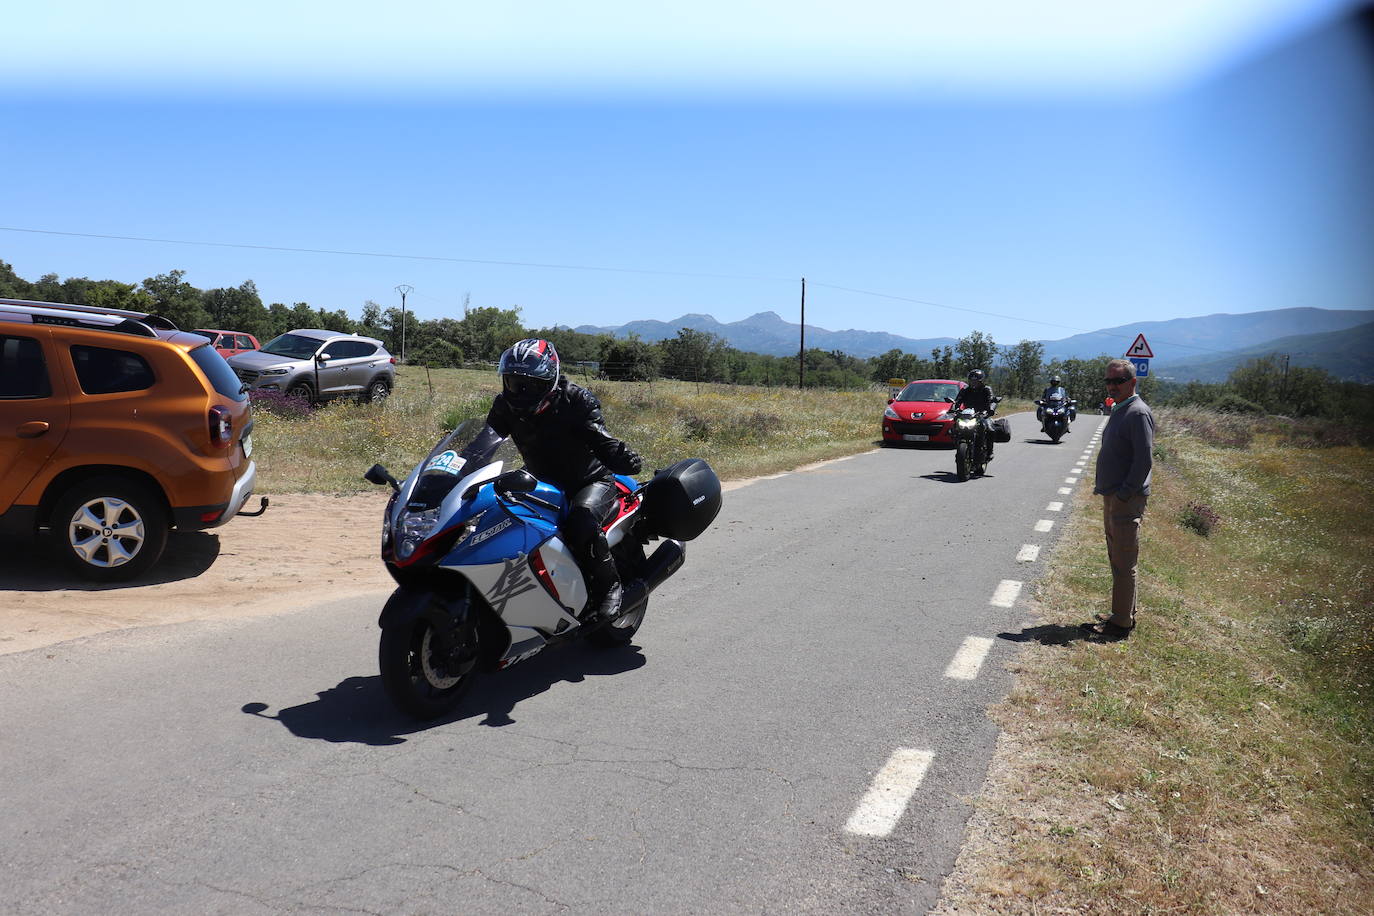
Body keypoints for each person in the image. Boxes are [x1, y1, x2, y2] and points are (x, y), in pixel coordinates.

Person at [483, 338, 643, 621]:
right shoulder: (505, 405)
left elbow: (600, 439)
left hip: (589, 481)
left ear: (549, 380)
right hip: (540, 481)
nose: (519, 391)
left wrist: (624, 457)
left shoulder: (576, 400)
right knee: (496, 516)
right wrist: (453, 469)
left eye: (529, 384)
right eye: (513, 382)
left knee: (581, 521)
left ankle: (610, 586)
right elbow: (483, 444)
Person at [1084, 358, 1154, 639]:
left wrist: (1124, 493)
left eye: (1118, 381)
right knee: (1117, 557)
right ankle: (1122, 612)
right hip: (1114, 496)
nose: (1112, 386)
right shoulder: (1122, 409)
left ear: (1132, 382)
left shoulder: (1137, 413)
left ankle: (1121, 622)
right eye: (1108, 381)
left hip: (1125, 498)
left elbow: (1144, 459)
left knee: (1124, 562)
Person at [950, 368, 998, 460]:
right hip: (967, 414)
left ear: (981, 381)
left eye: (976, 381)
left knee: (990, 429)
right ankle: (958, 444)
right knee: (955, 427)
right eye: (972, 380)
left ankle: (989, 451)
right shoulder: (965, 389)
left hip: (983, 414)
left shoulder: (986, 389)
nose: (973, 382)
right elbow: (958, 400)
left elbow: (992, 400)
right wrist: (954, 408)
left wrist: (991, 409)